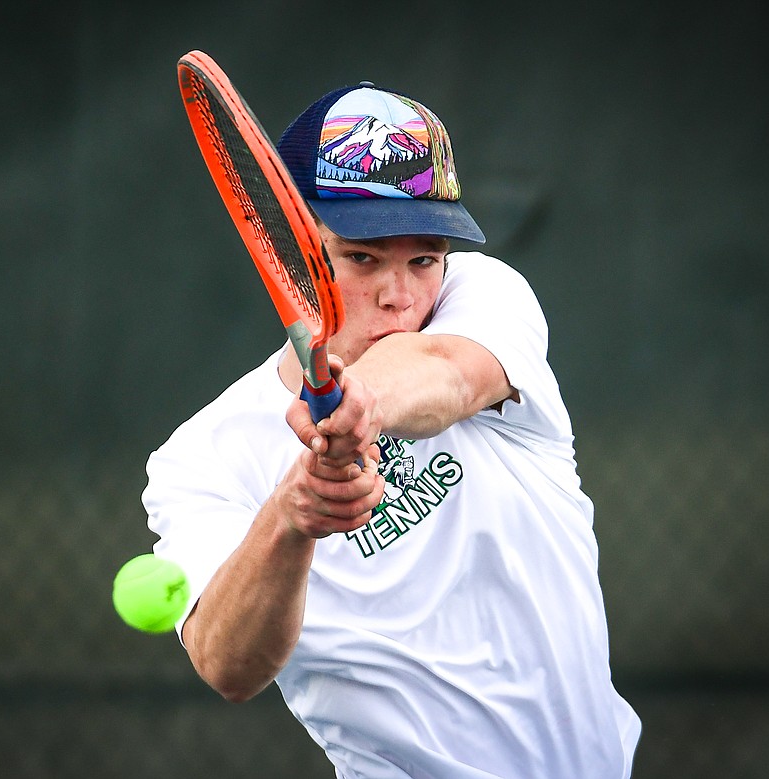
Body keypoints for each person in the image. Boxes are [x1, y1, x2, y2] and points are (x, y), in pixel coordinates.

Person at [142, 81, 641, 778]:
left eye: (423, 258)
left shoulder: (486, 295)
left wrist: (356, 405)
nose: (401, 295)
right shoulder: (199, 459)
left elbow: (446, 371)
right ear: (288, 252)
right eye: (362, 258)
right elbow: (227, 661)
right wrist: (291, 517)